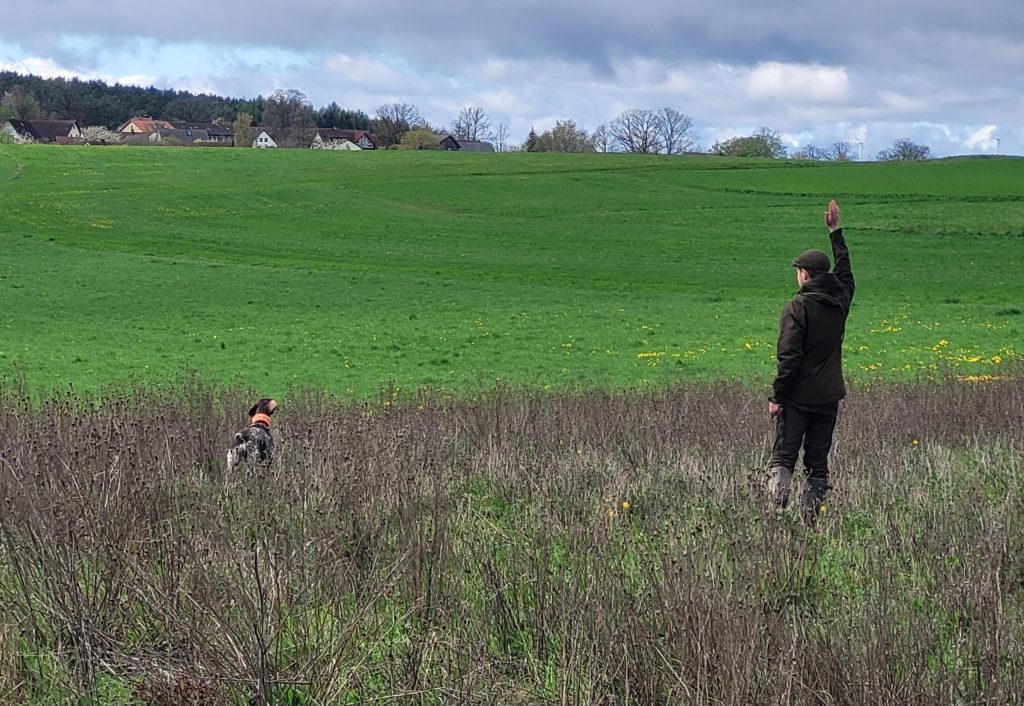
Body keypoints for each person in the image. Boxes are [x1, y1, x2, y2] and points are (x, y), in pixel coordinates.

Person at [767, 199, 854, 527]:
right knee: (818, 464)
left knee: (783, 458)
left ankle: (775, 518)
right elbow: (845, 274)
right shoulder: (840, 301)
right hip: (828, 398)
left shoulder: (798, 308)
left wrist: (777, 397)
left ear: (804, 275)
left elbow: (789, 357)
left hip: (798, 399)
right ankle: (811, 522)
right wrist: (835, 232)